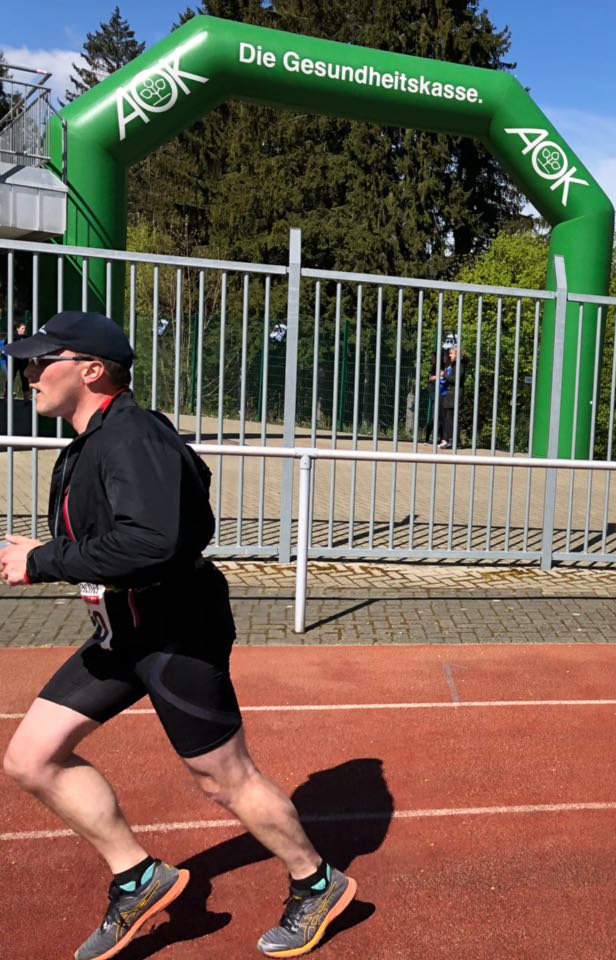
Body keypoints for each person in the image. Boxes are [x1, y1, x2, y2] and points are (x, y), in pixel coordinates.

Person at [0, 311, 357, 960]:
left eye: (41, 361)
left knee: (224, 778)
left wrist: (43, 560)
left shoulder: (132, 437)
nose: (28, 374)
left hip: (176, 634)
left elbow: (154, 541)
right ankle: (138, 878)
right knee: (31, 759)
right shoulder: (95, 439)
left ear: (91, 370)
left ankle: (317, 881)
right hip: (123, 632)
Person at [429, 345, 463, 448]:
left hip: (452, 394)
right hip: (450, 394)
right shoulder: (455, 365)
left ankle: (452, 441)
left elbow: (454, 379)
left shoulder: (459, 365)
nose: (449, 356)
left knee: (450, 418)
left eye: (451, 354)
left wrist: (442, 375)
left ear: (457, 354)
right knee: (449, 418)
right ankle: (450, 440)